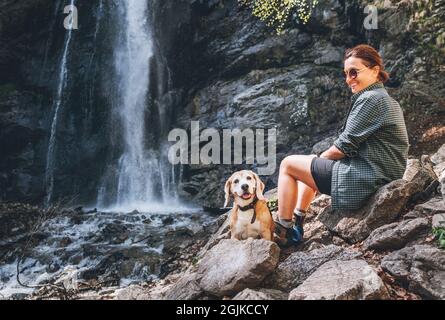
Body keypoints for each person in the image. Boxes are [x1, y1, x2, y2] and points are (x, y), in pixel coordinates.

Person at [274, 44, 409, 246]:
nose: (348, 79)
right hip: (378, 174)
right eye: (346, 74)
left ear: (375, 70)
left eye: (354, 72)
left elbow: (342, 147)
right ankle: (298, 219)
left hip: (365, 178)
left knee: (288, 164)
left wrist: (319, 161)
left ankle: (283, 230)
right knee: (311, 163)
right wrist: (316, 163)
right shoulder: (383, 98)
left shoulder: (372, 99)